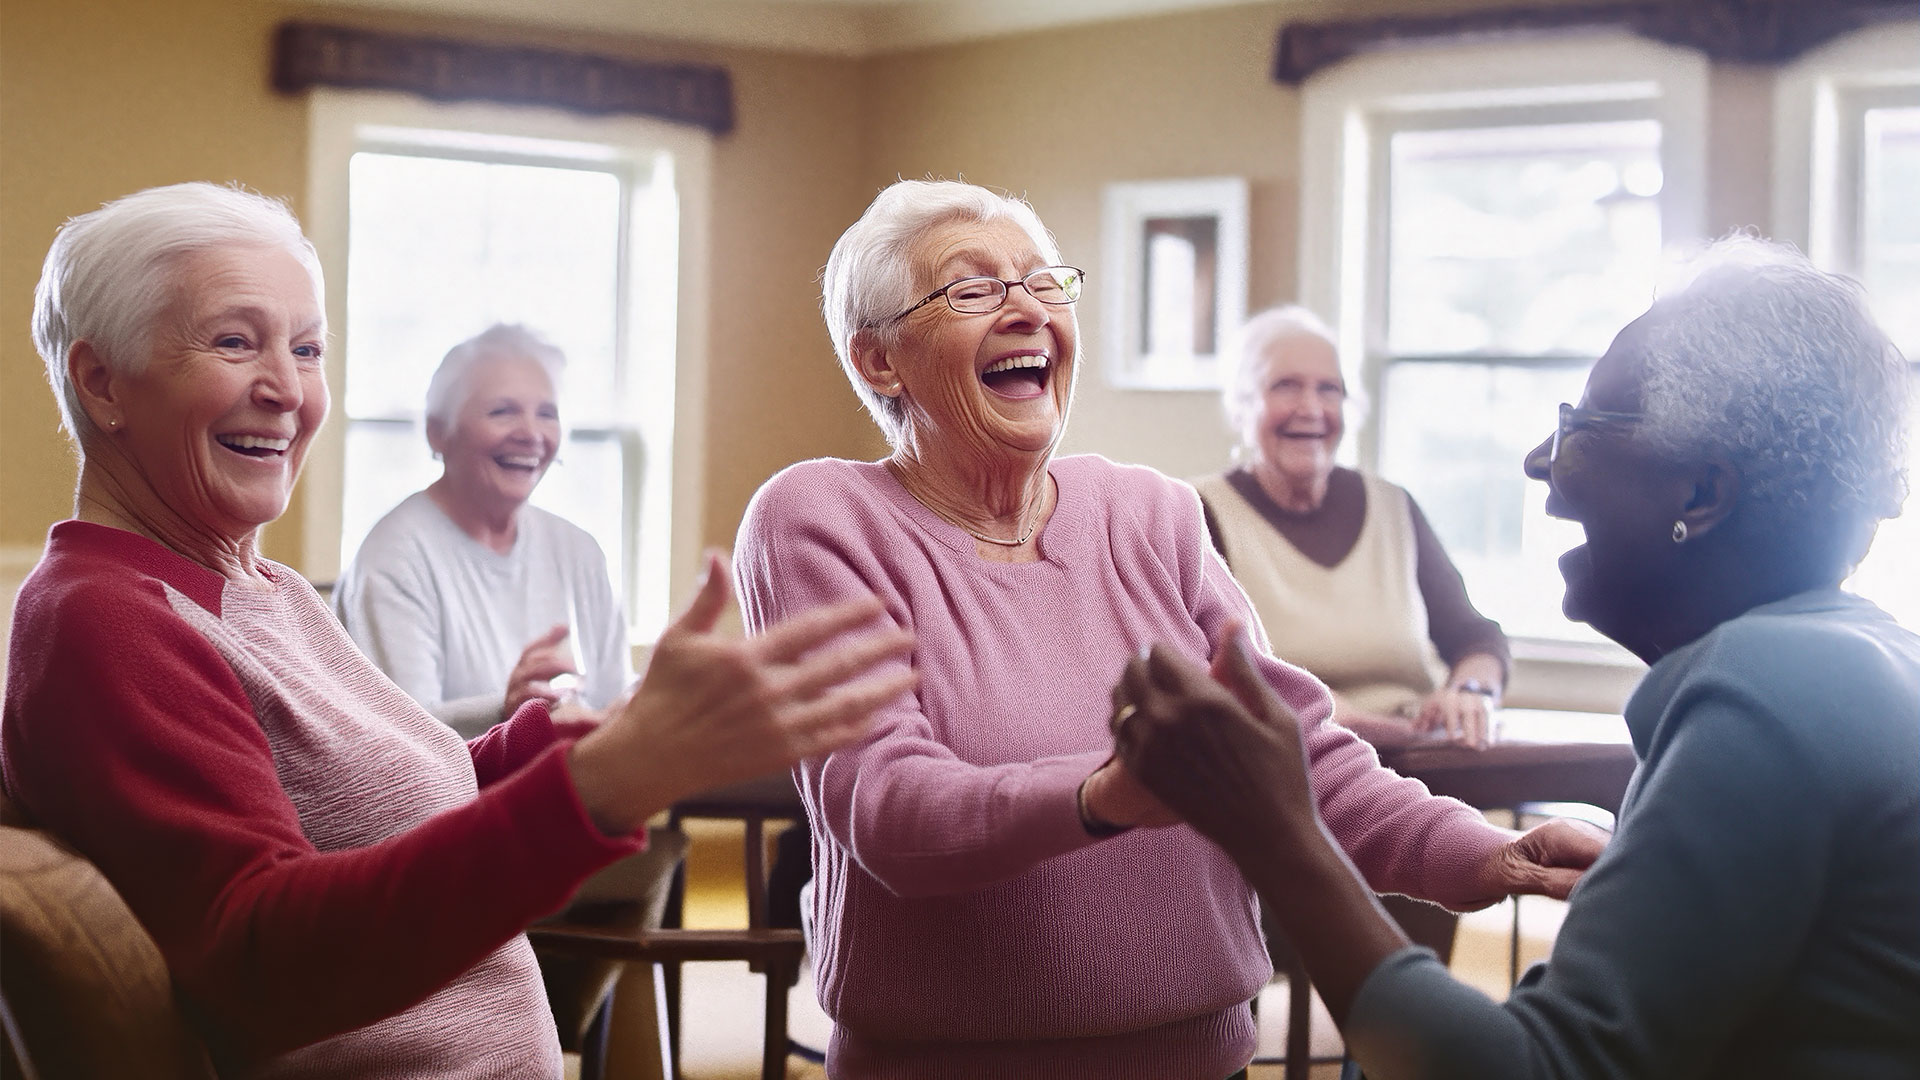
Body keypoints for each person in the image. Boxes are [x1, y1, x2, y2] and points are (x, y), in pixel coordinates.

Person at [1, 181, 914, 1079]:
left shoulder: (263, 587)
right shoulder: (104, 617)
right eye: (235, 342)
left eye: (308, 349)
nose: (287, 389)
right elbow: (259, 961)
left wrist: (595, 736)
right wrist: (598, 787)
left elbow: (399, 795)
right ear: (101, 381)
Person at [731, 178, 1605, 1079]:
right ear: (879, 359)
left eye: (1042, 282)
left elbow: (1298, 753)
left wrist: (1490, 854)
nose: (1027, 310)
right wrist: (1106, 795)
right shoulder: (821, 519)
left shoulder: (1151, 514)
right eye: (973, 288)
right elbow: (887, 806)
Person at [1112, 236, 1920, 1078]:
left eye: (1582, 427)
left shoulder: (1760, 702)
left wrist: (1279, 832)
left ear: (1702, 493)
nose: (1539, 460)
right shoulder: (1857, 662)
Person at [1197, 306, 1507, 750]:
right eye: (1285, 386)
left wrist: (1471, 693)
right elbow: (1207, 664)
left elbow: (1475, 637)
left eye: (1329, 389)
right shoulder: (1198, 512)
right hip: (1293, 760)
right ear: (1242, 405)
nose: (1311, 408)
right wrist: (1344, 718)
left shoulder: (1393, 506)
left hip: (1424, 754)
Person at [334, 324, 630, 738]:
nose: (531, 434)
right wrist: (506, 710)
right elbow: (401, 736)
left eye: (547, 414)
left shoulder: (580, 551)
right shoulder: (392, 557)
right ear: (438, 432)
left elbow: (615, 705)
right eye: (502, 411)